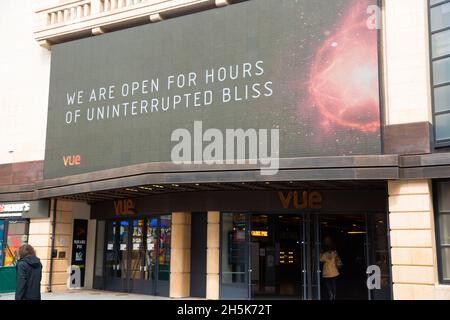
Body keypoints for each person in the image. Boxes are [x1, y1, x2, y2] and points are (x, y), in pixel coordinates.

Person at [320, 236, 343, 300]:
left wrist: (321, 253)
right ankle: (334, 295)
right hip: (334, 269)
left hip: (327, 270)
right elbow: (337, 258)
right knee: (333, 283)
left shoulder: (324, 253)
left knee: (328, 283)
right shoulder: (334, 252)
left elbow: (321, 259)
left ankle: (331, 294)